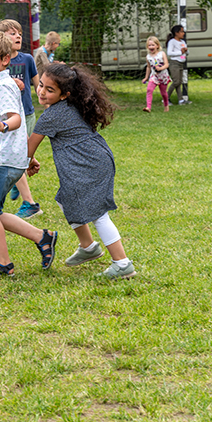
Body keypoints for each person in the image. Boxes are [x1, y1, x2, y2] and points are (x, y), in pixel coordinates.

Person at [27, 63, 136, 280]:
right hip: (96, 160)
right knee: (67, 199)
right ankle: (88, 247)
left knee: (98, 214)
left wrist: (27, 162)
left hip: (88, 165)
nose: (41, 91)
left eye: (50, 90)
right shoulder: (72, 105)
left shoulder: (51, 116)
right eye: (41, 85)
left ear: (64, 95)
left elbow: (28, 149)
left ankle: (122, 264)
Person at [0, 30, 58, 278]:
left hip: (2, 159)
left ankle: (3, 265)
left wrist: (5, 125)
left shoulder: (4, 87)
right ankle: (43, 237)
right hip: (6, 158)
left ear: (6, 59)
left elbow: (17, 117)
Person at [0, 19, 42, 219]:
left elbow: (39, 84)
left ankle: (29, 203)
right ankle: (18, 183)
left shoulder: (27, 59)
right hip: (7, 117)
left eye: (19, 33)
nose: (18, 36)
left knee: (16, 157)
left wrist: (47, 100)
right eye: (12, 33)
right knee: (16, 156)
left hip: (26, 115)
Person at [142, 36, 170, 113]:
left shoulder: (162, 54)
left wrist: (160, 68)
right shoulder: (148, 57)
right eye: (149, 45)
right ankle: (148, 107)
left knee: (163, 93)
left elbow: (167, 65)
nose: (151, 47)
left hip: (163, 76)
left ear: (157, 45)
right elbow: (148, 67)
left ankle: (166, 105)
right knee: (149, 90)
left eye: (153, 45)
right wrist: (146, 77)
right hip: (154, 76)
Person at [166, 25, 188, 105]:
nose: (183, 33)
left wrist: (186, 51)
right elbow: (169, 53)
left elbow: (186, 53)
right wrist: (180, 52)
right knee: (176, 81)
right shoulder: (172, 41)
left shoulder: (182, 42)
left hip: (181, 63)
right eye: (181, 31)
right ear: (176, 33)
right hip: (174, 63)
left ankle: (180, 100)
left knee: (179, 82)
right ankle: (166, 98)